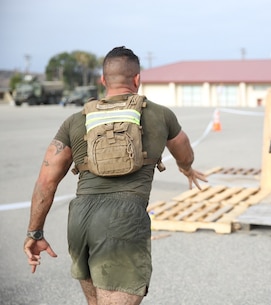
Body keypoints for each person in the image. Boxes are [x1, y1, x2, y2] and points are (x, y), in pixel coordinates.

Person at [23, 46, 207, 305]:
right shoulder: (160, 115)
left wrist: (35, 233)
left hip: (80, 223)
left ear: (102, 80)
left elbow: (46, 182)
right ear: (137, 80)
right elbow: (184, 150)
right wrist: (186, 168)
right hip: (123, 222)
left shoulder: (76, 121)